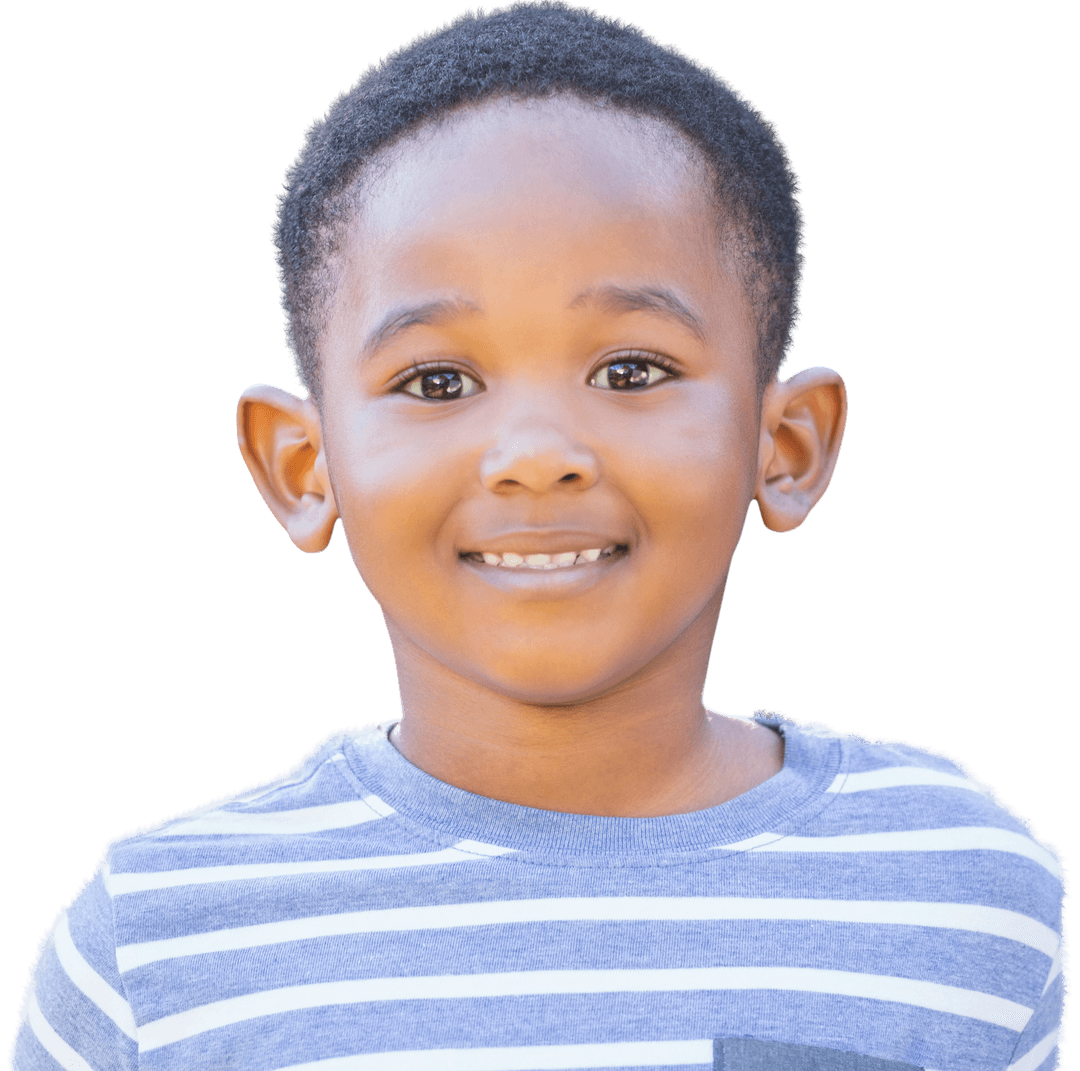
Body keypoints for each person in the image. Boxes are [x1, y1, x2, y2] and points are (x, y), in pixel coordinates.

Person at [10, 3, 1067, 1069]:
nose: (534, 453)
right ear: (303, 466)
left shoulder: (960, 889)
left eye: (632, 370)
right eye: (436, 380)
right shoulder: (155, 947)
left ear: (783, 443)